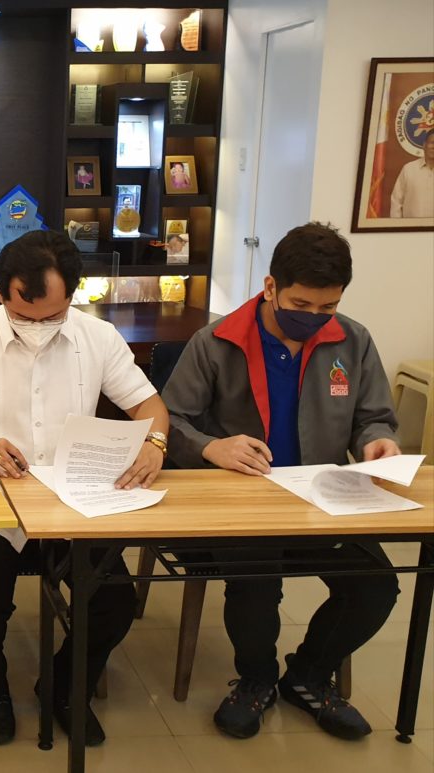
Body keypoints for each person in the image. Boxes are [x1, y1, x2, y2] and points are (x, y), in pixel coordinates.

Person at [0, 229, 169, 746]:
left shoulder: (97, 338)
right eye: (27, 317)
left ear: (72, 295)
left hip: (73, 500)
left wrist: (155, 443)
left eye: (54, 316)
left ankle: (64, 686)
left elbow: (148, 405)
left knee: (114, 601)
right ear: (3, 292)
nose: (41, 328)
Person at [163, 222, 401, 741]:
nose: (313, 318)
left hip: (322, 498)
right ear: (270, 287)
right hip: (243, 501)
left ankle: (309, 676)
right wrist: (211, 446)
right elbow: (169, 420)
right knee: (255, 582)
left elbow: (374, 416)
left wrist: (377, 440)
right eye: (301, 304)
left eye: (327, 308)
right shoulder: (217, 341)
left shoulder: (352, 341)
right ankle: (256, 681)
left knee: (377, 586)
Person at [389, 131, 434, 218]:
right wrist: (397, 228)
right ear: (424, 145)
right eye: (432, 143)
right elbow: (396, 202)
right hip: (411, 230)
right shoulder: (408, 169)